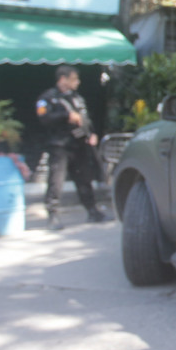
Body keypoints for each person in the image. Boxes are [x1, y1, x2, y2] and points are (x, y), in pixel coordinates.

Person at [36, 66, 111, 229]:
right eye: (74, 79)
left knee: (84, 179)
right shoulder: (48, 98)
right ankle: (53, 216)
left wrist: (91, 133)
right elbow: (44, 118)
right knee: (56, 181)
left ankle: (92, 211)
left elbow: (85, 118)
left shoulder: (77, 98)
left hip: (79, 144)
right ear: (63, 79)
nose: (78, 82)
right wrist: (66, 116)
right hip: (59, 146)